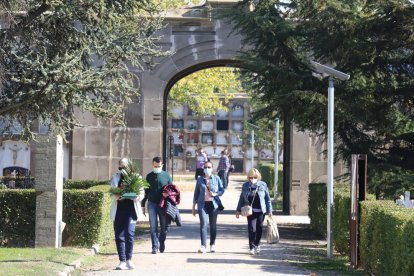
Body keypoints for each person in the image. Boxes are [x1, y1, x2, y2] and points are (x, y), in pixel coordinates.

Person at [110, 158, 144, 270]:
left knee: (129, 234)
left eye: (125, 167)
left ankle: (129, 259)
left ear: (130, 166)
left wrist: (137, 197)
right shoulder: (115, 177)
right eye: (121, 167)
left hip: (131, 210)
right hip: (119, 209)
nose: (122, 169)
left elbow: (141, 193)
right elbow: (112, 192)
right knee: (119, 235)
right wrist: (116, 196)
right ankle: (122, 261)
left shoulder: (136, 177)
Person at [236, 168, 272, 255]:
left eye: (255, 177)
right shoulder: (245, 185)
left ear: (258, 176)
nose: (253, 179)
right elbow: (241, 198)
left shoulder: (263, 185)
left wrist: (269, 210)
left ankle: (257, 244)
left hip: (261, 211)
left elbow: (267, 199)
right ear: (248, 177)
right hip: (250, 211)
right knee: (252, 229)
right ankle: (251, 247)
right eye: (251, 177)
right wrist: (238, 210)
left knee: (259, 228)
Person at [141, 156, 172, 254]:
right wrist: (143, 205)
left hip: (163, 204)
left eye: (159, 166)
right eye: (155, 166)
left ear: (162, 165)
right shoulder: (149, 176)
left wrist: (168, 195)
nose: (157, 167)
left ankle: (161, 241)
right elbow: (146, 191)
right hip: (152, 204)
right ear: (152, 165)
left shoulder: (166, 176)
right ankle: (154, 247)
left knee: (164, 227)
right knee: (153, 226)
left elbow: (172, 190)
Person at [192, 161, 224, 253]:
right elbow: (196, 193)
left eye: (209, 167)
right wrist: (193, 206)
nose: (207, 169)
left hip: (213, 204)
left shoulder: (216, 178)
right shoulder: (200, 179)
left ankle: (212, 244)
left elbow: (222, 190)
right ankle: (203, 246)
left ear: (212, 168)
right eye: (205, 167)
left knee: (213, 226)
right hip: (202, 204)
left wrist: (216, 193)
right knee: (203, 224)